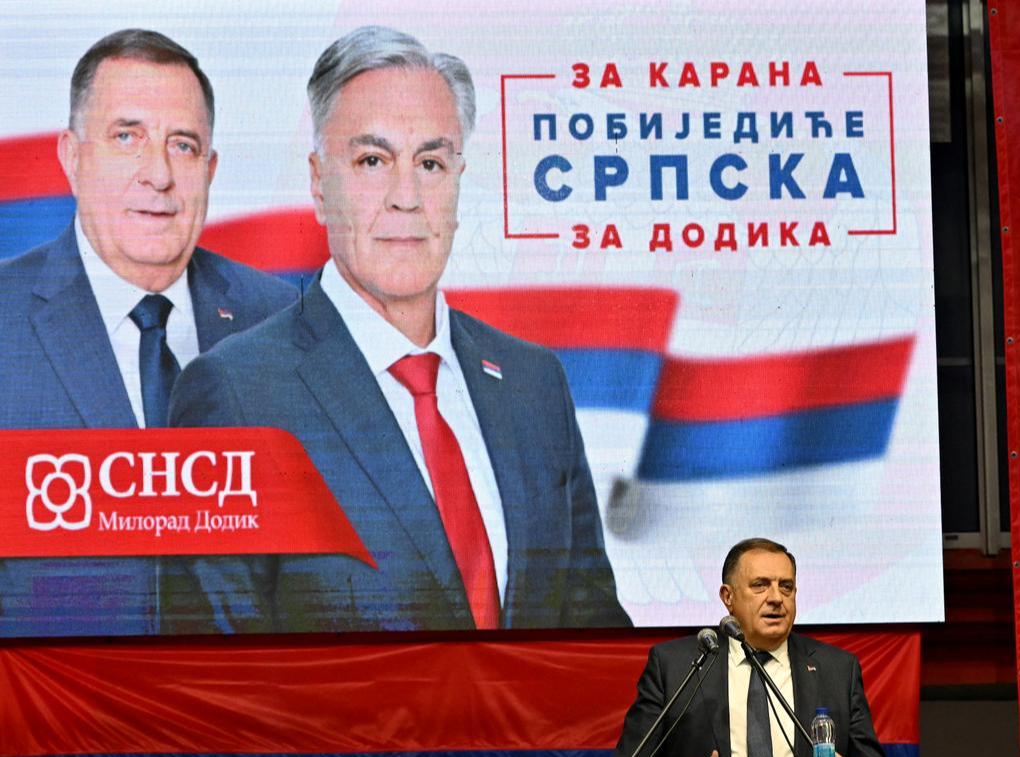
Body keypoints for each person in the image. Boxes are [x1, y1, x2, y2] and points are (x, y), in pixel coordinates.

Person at [162, 26, 630, 633]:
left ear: (460, 180)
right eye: (372, 161)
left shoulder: (533, 383)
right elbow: (217, 688)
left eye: (431, 162)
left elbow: (595, 642)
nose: (406, 197)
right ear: (318, 184)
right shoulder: (236, 395)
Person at [0, 29, 298, 637]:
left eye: (182, 146)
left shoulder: (282, 317)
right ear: (72, 156)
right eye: (127, 138)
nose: (158, 174)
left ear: (210, 170)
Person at [604, 538, 895, 757]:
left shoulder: (837, 670)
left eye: (786, 587)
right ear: (727, 597)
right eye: (760, 585)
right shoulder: (675, 666)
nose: (776, 598)